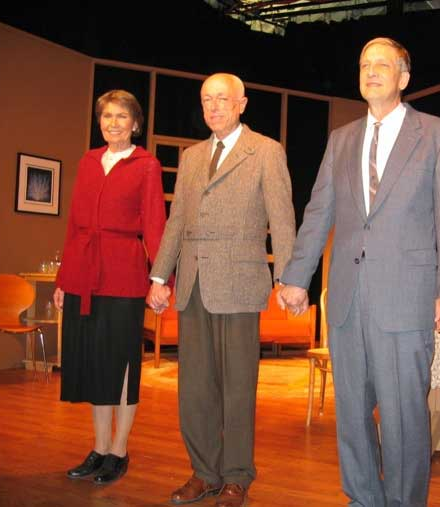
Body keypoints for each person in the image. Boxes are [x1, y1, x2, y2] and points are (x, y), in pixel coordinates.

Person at [278, 38, 440, 507]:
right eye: (365, 64)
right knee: (351, 415)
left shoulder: (438, 134)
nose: (371, 71)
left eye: (382, 64)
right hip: (348, 300)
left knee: (404, 417)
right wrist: (297, 277)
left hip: (405, 299)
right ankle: (362, 498)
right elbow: (318, 211)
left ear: (404, 77)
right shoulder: (341, 139)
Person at [147, 73, 296, 507]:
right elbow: (177, 220)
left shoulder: (265, 151)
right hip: (193, 284)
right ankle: (204, 472)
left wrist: (288, 278)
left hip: (239, 283)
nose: (213, 107)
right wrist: (159, 277)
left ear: (241, 104)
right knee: (195, 388)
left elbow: (282, 218)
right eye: (206, 100)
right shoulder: (191, 156)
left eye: (222, 99)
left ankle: (236, 476)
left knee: (237, 388)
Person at [54, 90, 167, 484]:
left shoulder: (147, 165)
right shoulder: (88, 161)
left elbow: (155, 224)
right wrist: (64, 278)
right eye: (106, 116)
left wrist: (160, 279)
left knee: (120, 364)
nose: (113, 123)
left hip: (123, 275)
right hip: (84, 272)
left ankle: (119, 450)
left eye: (121, 116)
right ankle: (99, 447)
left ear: (135, 124)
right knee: (95, 363)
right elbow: (74, 223)